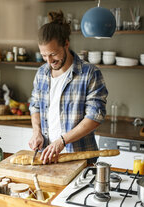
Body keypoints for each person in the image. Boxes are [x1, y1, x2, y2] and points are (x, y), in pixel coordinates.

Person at [29, 10, 108, 165]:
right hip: (48, 156)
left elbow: (95, 117)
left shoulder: (89, 73)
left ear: (66, 43)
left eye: (53, 54)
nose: (49, 61)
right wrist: (36, 132)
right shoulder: (41, 73)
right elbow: (35, 106)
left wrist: (62, 141)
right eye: (44, 56)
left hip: (80, 157)